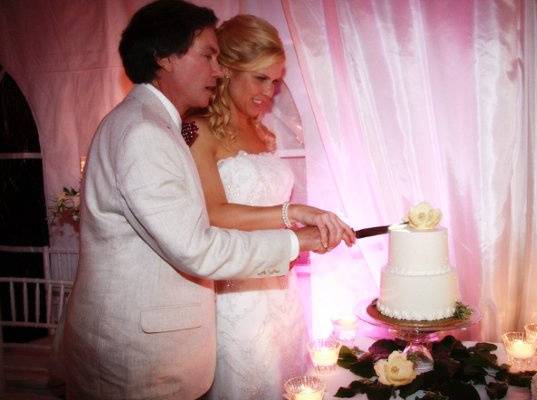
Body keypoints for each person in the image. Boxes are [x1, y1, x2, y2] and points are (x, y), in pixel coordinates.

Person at [61, 2, 345, 399]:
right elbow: (196, 247)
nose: (218, 69)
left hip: (170, 339)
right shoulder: (144, 132)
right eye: (208, 56)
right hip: (138, 358)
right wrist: (301, 240)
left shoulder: (154, 124)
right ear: (163, 57)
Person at [182, 15, 355, 399]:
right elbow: (211, 214)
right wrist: (291, 214)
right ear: (226, 70)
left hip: (280, 294)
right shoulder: (198, 130)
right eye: (260, 78)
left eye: (275, 81)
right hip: (233, 303)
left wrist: (307, 238)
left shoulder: (263, 133)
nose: (269, 91)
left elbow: (264, 218)